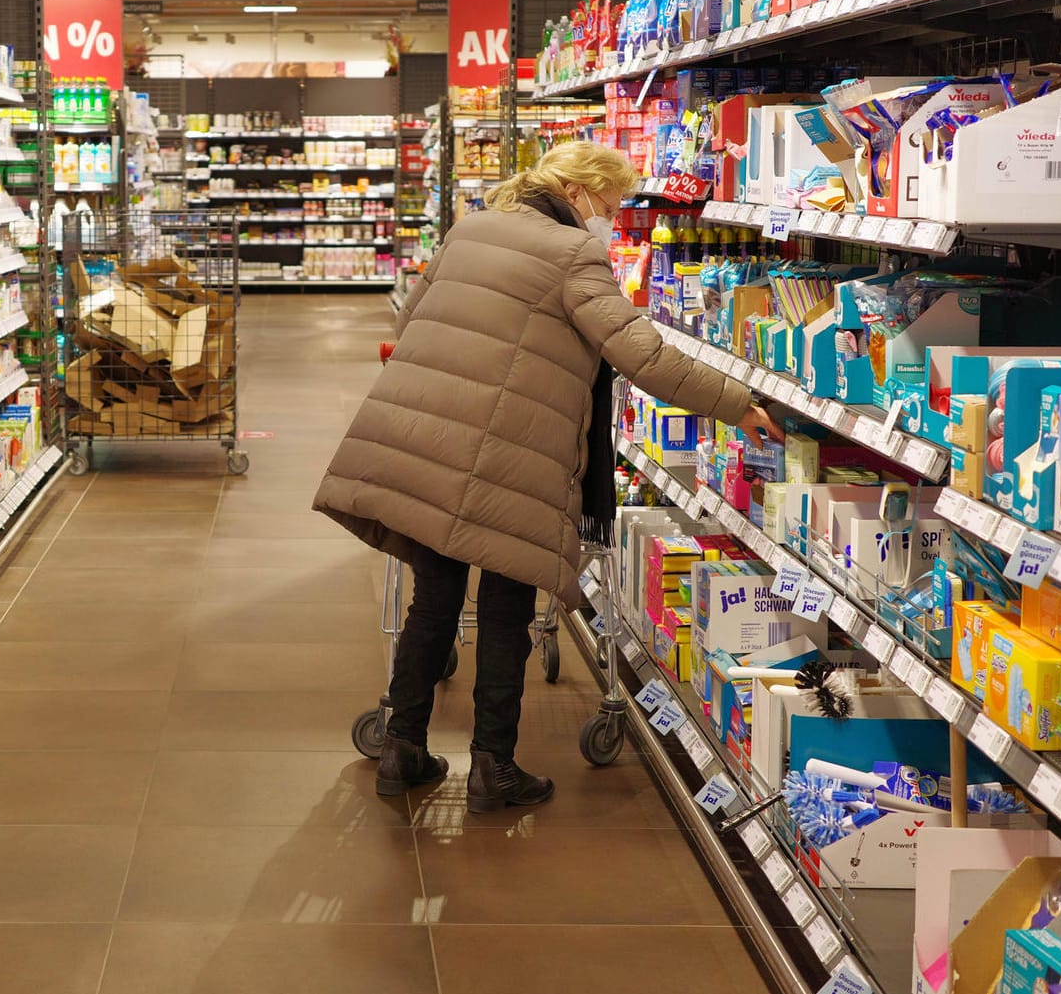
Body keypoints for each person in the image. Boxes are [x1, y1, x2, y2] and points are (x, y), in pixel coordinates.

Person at [313, 141, 781, 813]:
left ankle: (402, 746)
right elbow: (640, 352)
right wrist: (735, 402)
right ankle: (492, 768)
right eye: (610, 206)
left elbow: (413, 320)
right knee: (505, 606)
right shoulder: (573, 254)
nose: (611, 222)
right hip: (508, 452)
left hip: (427, 436)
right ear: (575, 191)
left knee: (433, 596)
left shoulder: (469, 227)